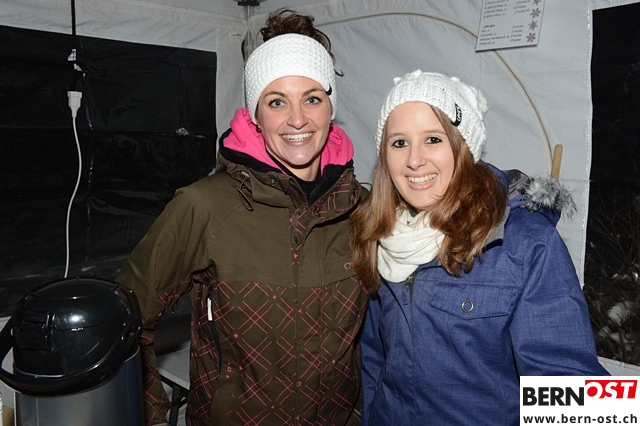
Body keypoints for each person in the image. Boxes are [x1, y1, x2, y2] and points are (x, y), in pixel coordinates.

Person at [116, 8, 369, 426]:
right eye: (276, 102)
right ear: (255, 114)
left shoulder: (364, 209)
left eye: (312, 98)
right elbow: (126, 318)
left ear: (330, 107)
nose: (298, 119)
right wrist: (152, 417)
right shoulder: (206, 206)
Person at [349, 69, 609, 426]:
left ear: (464, 147)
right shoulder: (384, 238)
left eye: (433, 139)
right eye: (399, 143)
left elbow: (571, 388)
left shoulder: (524, 242)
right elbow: (375, 365)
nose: (414, 160)